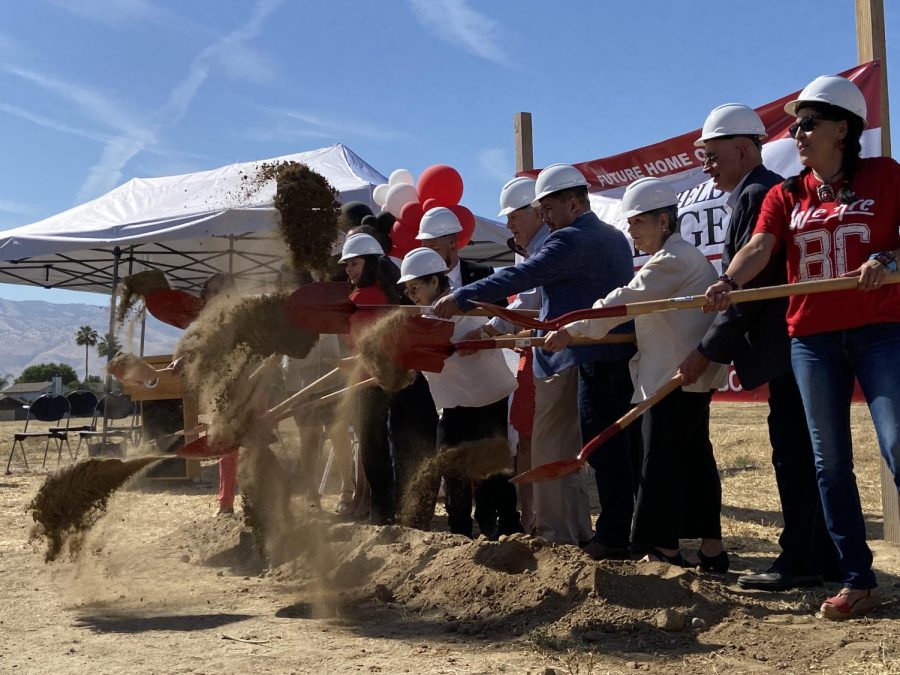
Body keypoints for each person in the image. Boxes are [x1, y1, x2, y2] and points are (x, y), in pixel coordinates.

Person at [704, 75, 900, 619]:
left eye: (809, 122)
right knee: (829, 463)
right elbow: (761, 246)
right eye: (796, 124)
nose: (798, 132)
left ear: (843, 127)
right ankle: (857, 578)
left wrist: (888, 262)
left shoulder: (886, 177)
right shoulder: (785, 193)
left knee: (896, 443)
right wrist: (731, 282)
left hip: (880, 332)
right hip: (810, 341)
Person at [433, 164, 637, 551]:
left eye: (548, 209)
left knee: (551, 448)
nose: (544, 217)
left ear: (573, 203)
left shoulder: (567, 241)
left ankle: (556, 535)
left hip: (567, 359)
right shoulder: (615, 239)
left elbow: (518, 279)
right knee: (595, 453)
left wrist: (460, 298)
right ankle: (581, 531)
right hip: (610, 355)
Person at [679, 103, 839, 590]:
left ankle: (801, 560)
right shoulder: (758, 192)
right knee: (805, 452)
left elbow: (745, 292)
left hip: (790, 346)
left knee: (795, 455)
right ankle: (821, 555)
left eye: (711, 156)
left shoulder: (757, 194)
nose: (705, 167)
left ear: (743, 149)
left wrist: (707, 350)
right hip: (794, 346)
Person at [545, 177, 728, 568]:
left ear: (664, 222)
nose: (632, 232)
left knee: (658, 462)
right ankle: (712, 550)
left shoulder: (672, 260)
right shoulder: (676, 258)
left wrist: (572, 328)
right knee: (695, 461)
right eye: (630, 224)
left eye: (638, 223)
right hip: (681, 376)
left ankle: (662, 547)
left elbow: (624, 300)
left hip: (674, 378)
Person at [398, 247, 521, 538]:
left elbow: (443, 341)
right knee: (451, 465)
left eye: (416, 287)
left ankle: (508, 528)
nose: (412, 294)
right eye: (407, 290)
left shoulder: (463, 303)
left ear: (434, 281)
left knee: (493, 468)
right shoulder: (425, 314)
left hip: (486, 396)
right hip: (455, 401)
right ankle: (460, 533)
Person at [480, 177, 550, 534]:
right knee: (525, 442)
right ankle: (528, 516)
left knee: (548, 441)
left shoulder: (549, 248)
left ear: (535, 212)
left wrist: (493, 327)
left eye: (513, 217)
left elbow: (528, 302)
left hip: (549, 361)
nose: (509, 226)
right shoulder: (531, 252)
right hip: (530, 364)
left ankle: (545, 517)